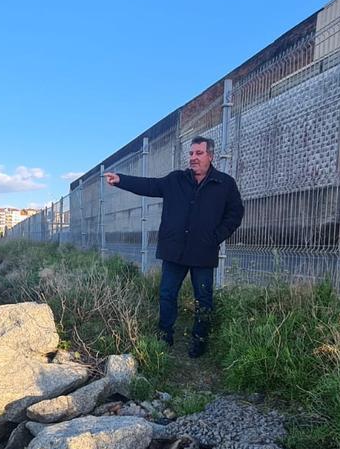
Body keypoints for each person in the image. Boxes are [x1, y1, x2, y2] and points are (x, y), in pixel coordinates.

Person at [104, 136, 244, 358]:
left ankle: (199, 340)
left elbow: (236, 213)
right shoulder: (176, 180)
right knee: (167, 294)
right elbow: (149, 185)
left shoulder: (224, 184)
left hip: (203, 252)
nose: (193, 158)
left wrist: (215, 236)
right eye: (191, 154)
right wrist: (121, 179)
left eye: (198, 153)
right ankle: (165, 335)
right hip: (174, 251)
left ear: (210, 155)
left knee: (204, 299)